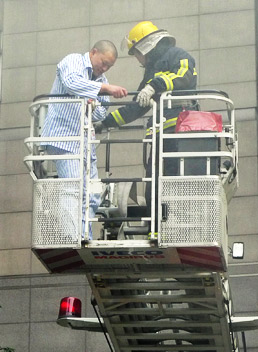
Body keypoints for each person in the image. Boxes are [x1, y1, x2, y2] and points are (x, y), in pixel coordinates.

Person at [97, 22, 198, 225]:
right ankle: (156, 228)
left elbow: (184, 76)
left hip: (180, 134)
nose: (137, 58)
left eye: (135, 53)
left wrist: (155, 86)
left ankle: (173, 226)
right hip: (160, 137)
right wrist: (105, 123)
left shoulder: (178, 55)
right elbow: (137, 107)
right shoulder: (151, 71)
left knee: (175, 182)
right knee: (153, 184)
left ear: (144, 46)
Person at [41, 40, 128, 238]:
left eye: (109, 66)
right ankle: (73, 237)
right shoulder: (73, 61)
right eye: (103, 63)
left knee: (93, 193)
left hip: (85, 142)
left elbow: (102, 112)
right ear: (93, 52)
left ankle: (83, 235)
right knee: (73, 189)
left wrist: (93, 103)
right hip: (64, 137)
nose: (104, 68)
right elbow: (72, 83)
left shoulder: (101, 78)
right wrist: (104, 89)